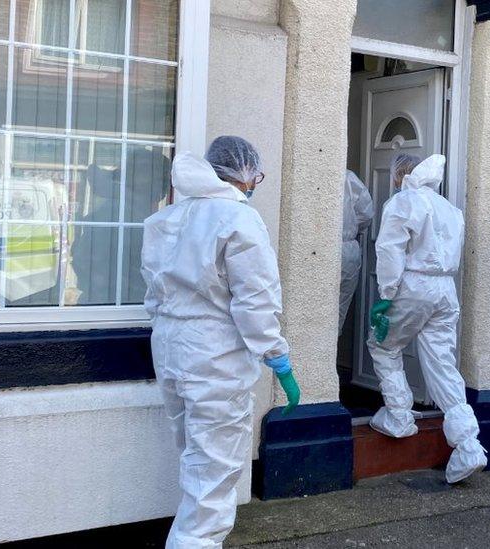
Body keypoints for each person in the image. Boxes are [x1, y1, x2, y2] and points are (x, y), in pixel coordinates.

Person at [141, 136, 300, 549]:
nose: (255, 182)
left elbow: (154, 295)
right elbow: (255, 300)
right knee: (214, 470)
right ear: (244, 172)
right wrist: (277, 354)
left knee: (195, 455)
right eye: (256, 175)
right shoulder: (238, 219)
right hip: (215, 352)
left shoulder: (169, 218)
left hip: (171, 346)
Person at [366, 153, 488, 484]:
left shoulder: (404, 202)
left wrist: (386, 294)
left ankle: (399, 415)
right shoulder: (450, 209)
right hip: (445, 290)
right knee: (442, 363)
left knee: (382, 345)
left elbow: (390, 250)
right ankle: (468, 446)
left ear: (400, 175)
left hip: (414, 284)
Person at [339, 170, 374, 332]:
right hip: (348, 250)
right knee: (338, 309)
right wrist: (351, 228)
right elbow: (366, 213)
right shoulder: (347, 177)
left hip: (325, 248)